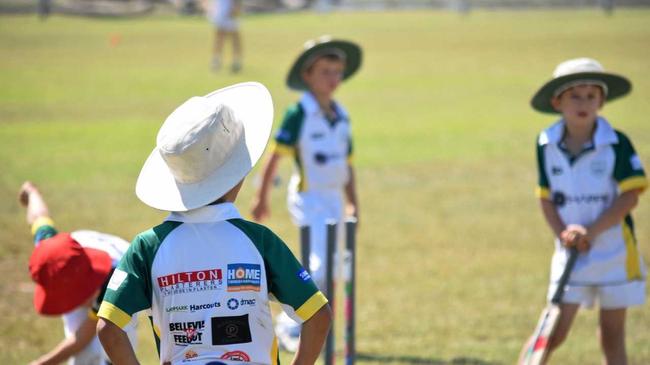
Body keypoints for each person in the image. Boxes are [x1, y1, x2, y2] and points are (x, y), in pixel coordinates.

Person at [96, 82, 332, 365]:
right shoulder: (259, 240)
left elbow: (109, 328)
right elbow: (318, 316)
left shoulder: (147, 247)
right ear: (238, 172)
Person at [523, 57, 648, 364]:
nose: (583, 103)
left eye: (591, 96)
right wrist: (564, 235)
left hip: (614, 252)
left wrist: (590, 232)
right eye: (574, 96)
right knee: (552, 331)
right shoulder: (545, 143)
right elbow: (546, 197)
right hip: (570, 254)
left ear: (602, 101)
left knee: (612, 335)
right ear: (557, 102)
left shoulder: (616, 143)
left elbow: (631, 195)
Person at [249, 36, 361, 352]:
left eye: (337, 71)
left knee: (333, 267)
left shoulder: (342, 115)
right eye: (325, 71)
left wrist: (353, 202)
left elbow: (348, 164)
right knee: (318, 267)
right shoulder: (299, 112)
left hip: (334, 201)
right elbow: (276, 155)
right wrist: (261, 197)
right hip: (309, 200)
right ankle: (289, 324)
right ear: (308, 75)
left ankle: (307, 325)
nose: (333, 78)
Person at [19, 181, 138, 365]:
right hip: (78, 253)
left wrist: (42, 362)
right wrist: (31, 193)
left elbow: (83, 337)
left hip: (117, 274)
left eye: (78, 297)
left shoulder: (116, 282)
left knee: (113, 346)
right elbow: (39, 218)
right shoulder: (51, 255)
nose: (75, 304)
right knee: (82, 357)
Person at [205, 0, 243, 73]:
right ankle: (216, 60)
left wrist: (236, 6)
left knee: (234, 37)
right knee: (219, 36)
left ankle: (236, 61)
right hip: (221, 9)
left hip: (231, 9)